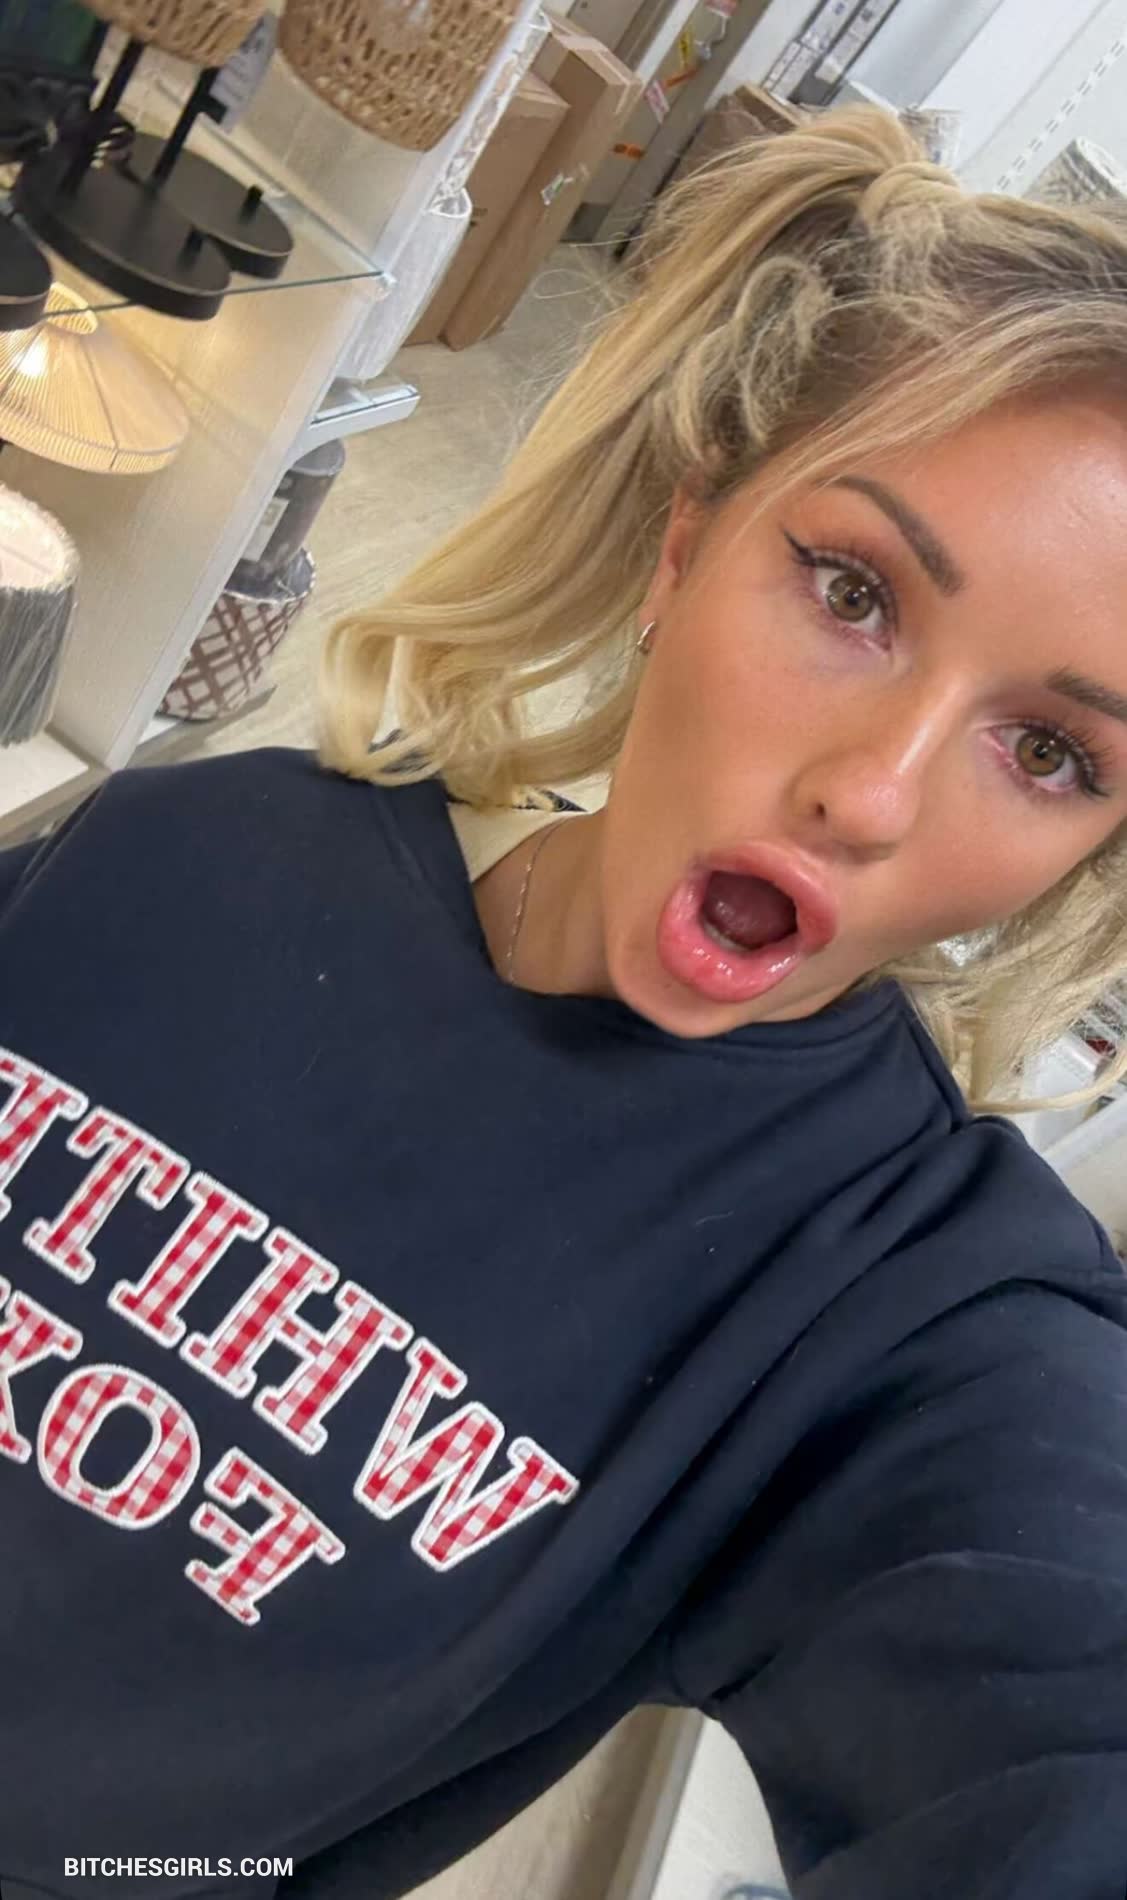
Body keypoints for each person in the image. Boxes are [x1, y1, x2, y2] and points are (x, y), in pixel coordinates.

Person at [1, 105, 1126, 1900]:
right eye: (853, 592)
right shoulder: (192, 846)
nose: (874, 793)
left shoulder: (899, 1312)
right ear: (685, 545)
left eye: (1052, 751)